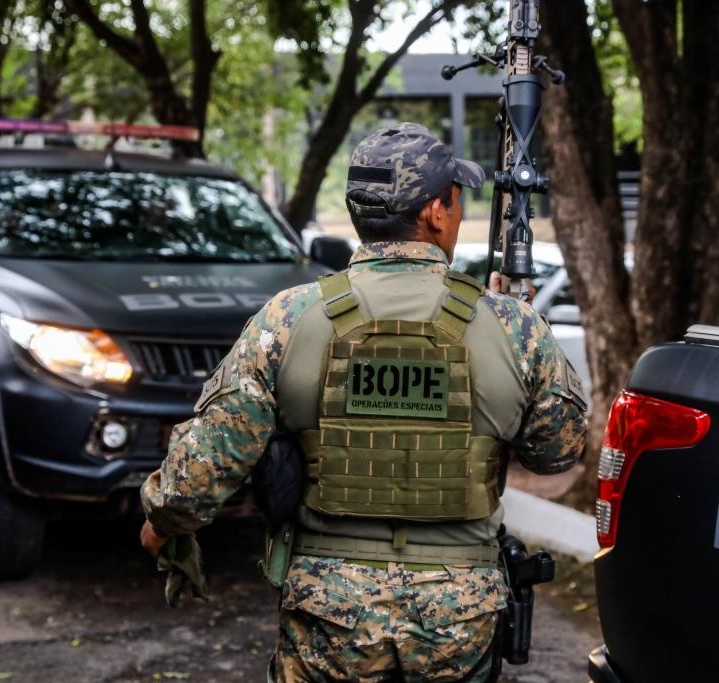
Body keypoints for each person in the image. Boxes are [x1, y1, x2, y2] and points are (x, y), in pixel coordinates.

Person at [138, 122, 588, 682]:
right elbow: (557, 451)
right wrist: (516, 326)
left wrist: (163, 523)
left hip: (329, 613)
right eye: (456, 198)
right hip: (458, 617)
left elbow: (202, 468)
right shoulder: (512, 326)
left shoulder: (288, 318)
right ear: (435, 211)